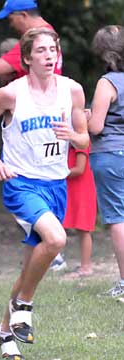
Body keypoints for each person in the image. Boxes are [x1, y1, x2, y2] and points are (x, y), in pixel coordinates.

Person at [0, 27, 89, 360]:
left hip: (57, 186)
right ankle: (24, 305)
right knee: (56, 239)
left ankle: (5, 331)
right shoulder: (11, 94)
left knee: (29, 270)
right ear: (26, 58)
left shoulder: (73, 91)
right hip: (22, 184)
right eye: (41, 51)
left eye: (53, 49)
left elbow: (84, 140)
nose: (50, 56)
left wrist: (73, 136)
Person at [88, 25, 124, 297]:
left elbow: (97, 126)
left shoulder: (107, 82)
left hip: (111, 155)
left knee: (118, 219)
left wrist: (86, 116)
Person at [0, 0, 62, 85]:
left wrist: (10, 73)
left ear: (23, 15)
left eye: (11, 20)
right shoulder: (48, 32)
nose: (11, 25)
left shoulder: (36, 38)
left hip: (36, 96)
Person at [63, 144, 97, 278]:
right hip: (70, 187)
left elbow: (79, 169)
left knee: (83, 228)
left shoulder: (81, 142)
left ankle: (86, 266)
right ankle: (55, 260)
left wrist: (56, 173)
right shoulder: (68, 141)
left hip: (82, 188)